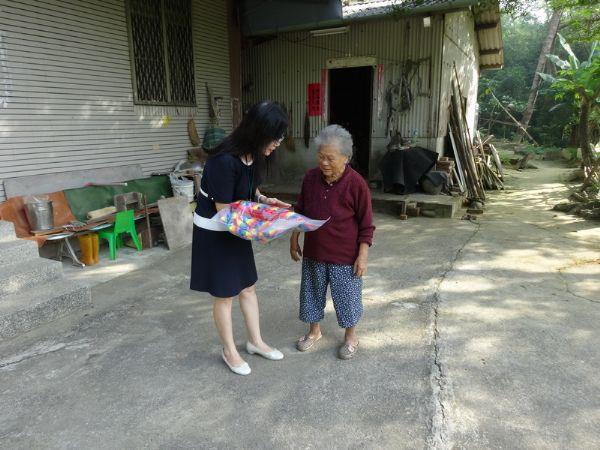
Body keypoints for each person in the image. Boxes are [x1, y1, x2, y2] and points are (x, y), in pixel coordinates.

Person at [191, 101, 290, 375]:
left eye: (280, 138)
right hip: (215, 230)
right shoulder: (223, 161)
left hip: (236, 225)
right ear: (258, 132)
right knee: (225, 294)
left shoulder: (253, 155)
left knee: (248, 287)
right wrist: (263, 228)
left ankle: (255, 342)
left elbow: (248, 188)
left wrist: (264, 201)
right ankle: (229, 351)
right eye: (274, 137)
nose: (277, 144)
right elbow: (225, 211)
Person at [290, 125, 375, 360]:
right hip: (314, 251)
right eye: (320, 156)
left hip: (344, 255)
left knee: (347, 299)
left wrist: (362, 255)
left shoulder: (356, 184)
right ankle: (314, 332)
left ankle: (350, 337)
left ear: (346, 158)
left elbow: (367, 225)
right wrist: (295, 237)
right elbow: (300, 210)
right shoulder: (310, 178)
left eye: (330, 158)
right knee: (311, 294)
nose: (324, 163)